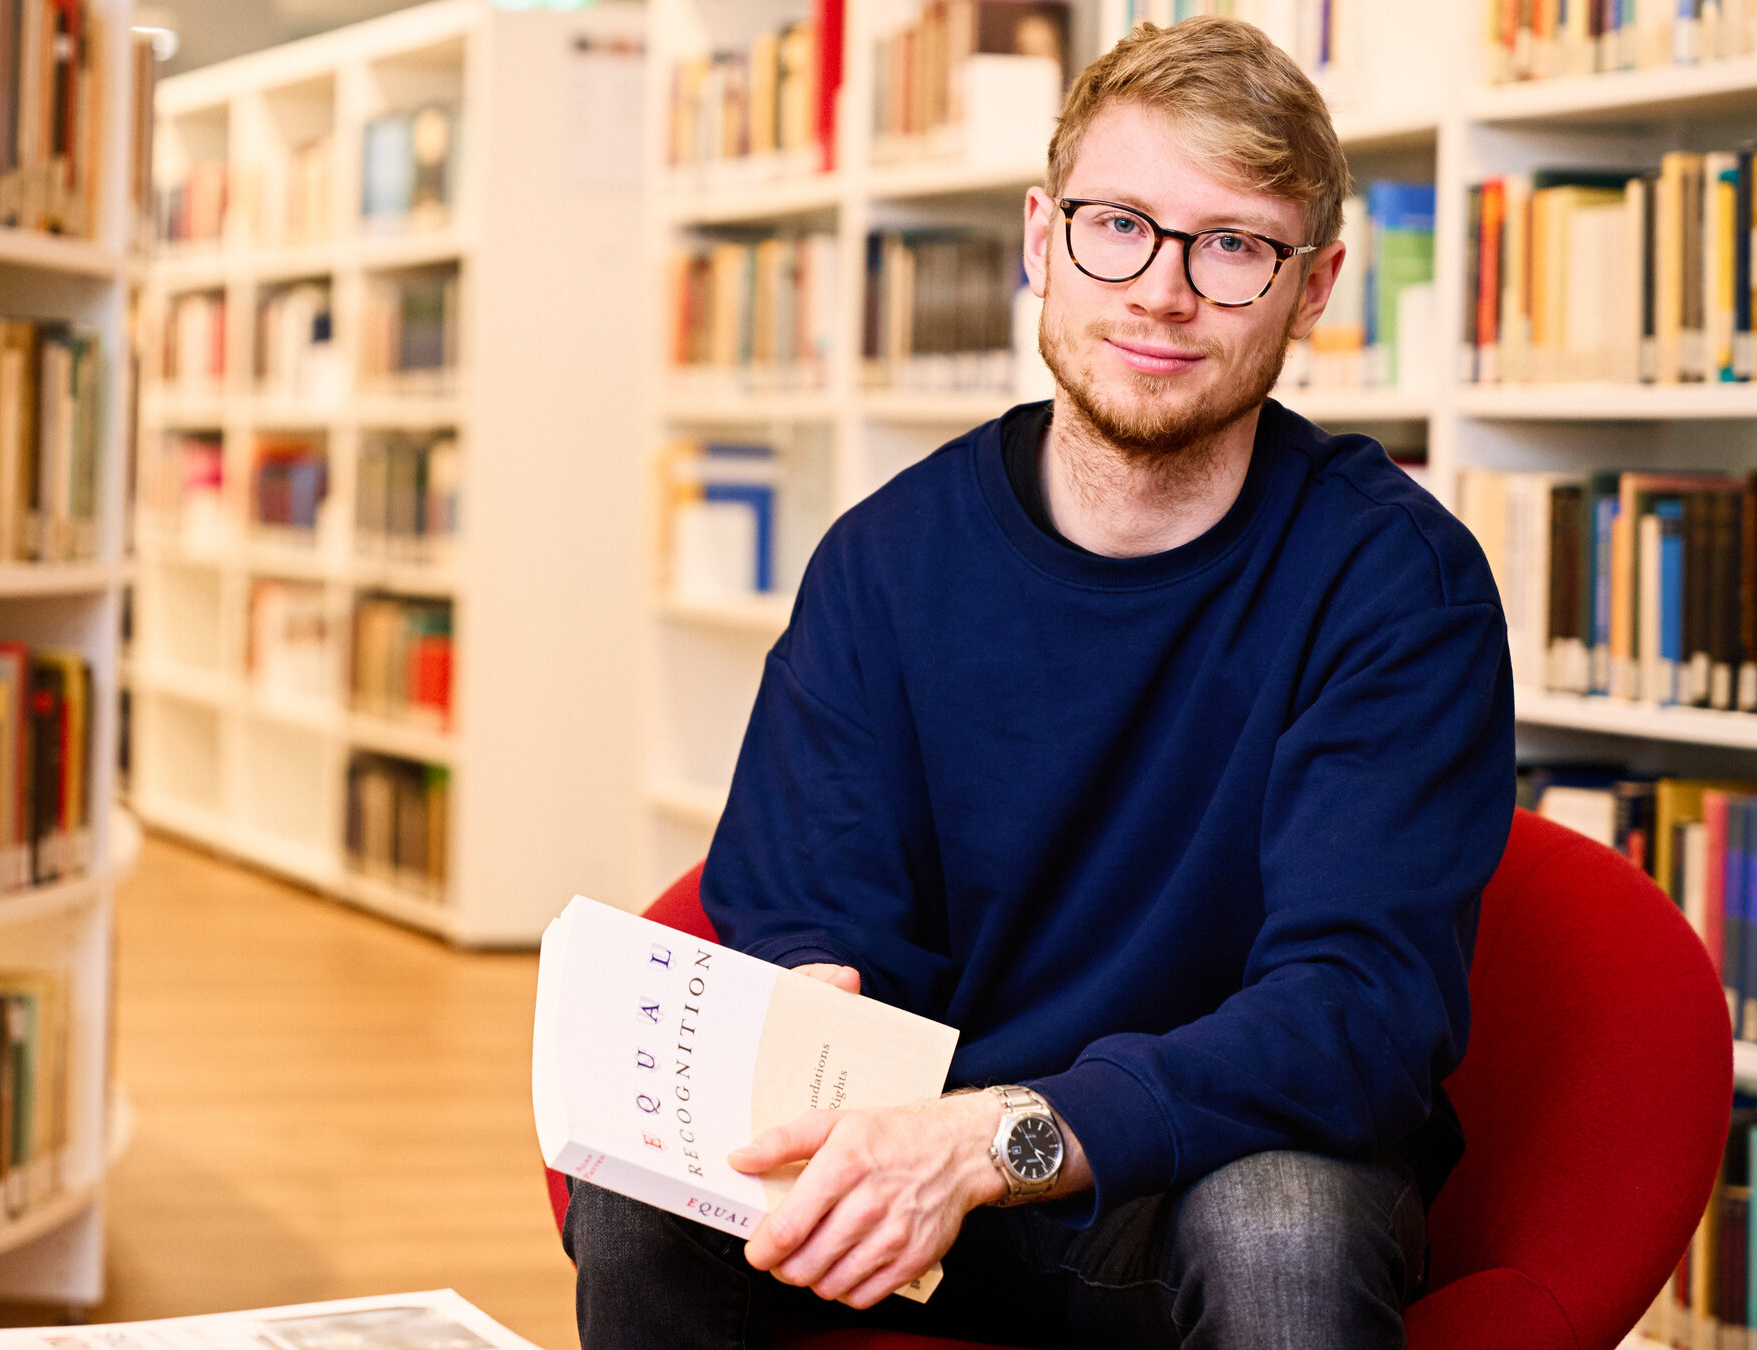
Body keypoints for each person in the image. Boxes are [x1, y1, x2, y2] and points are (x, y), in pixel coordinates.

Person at [563, 15, 1513, 1350]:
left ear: (1314, 287)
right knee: (642, 1199)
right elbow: (807, 919)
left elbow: (1355, 1015)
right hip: (919, 1184)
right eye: (1118, 223)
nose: (1162, 291)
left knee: (1284, 1221)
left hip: (1192, 1182)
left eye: (1233, 245)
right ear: (1040, 236)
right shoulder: (884, 564)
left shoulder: (1396, 584)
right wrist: (809, 1007)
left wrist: (1003, 1135)